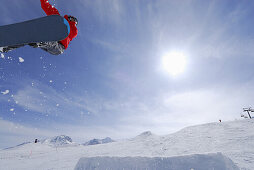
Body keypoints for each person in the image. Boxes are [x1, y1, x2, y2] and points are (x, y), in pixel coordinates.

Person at [0, 0, 78, 55]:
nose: (71, 19)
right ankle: (5, 47)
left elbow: (73, 32)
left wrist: (72, 23)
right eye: (70, 17)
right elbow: (46, 6)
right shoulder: (58, 18)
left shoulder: (73, 29)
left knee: (44, 38)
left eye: (73, 19)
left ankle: (39, 40)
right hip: (50, 39)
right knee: (28, 37)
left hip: (59, 47)